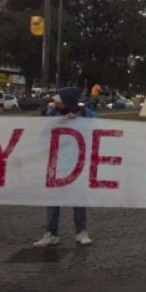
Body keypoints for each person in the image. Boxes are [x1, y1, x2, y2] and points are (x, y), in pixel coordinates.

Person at [33, 87, 95, 248]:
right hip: (57, 163)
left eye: (59, 101)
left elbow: (95, 130)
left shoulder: (86, 114)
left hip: (77, 163)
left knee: (78, 198)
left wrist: (79, 121)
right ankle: (51, 233)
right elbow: (44, 133)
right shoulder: (53, 114)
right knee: (53, 199)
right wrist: (62, 120)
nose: (56, 104)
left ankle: (81, 231)